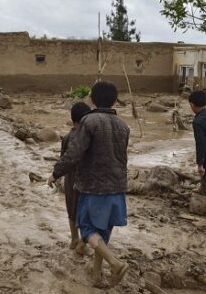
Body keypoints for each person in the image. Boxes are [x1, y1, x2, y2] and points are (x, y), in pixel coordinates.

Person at [48, 81, 130, 287]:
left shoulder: (89, 121)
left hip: (94, 188)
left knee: (86, 230)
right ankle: (96, 274)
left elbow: (74, 153)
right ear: (114, 100)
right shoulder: (123, 126)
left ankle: (115, 263)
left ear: (92, 100)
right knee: (103, 233)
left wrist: (56, 173)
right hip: (118, 188)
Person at [61, 101, 93, 256]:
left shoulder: (67, 137)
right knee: (84, 212)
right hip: (84, 180)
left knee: (72, 211)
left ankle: (74, 238)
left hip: (69, 179)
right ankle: (82, 242)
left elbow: (63, 159)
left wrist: (56, 175)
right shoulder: (87, 137)